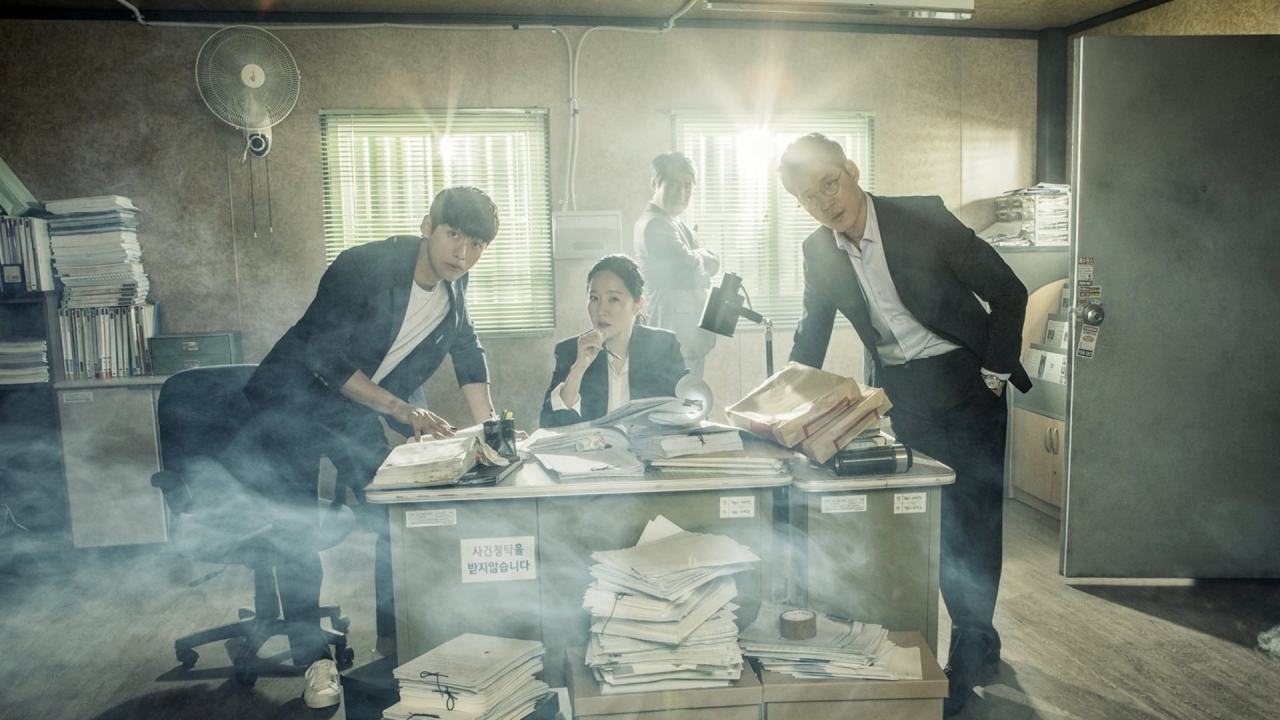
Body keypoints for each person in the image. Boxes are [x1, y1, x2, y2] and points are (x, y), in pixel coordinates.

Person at [778, 133, 1030, 718]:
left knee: (975, 516)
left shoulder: (922, 217)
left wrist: (993, 373)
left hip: (968, 380)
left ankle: (969, 642)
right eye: (809, 197)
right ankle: (977, 630)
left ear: (851, 170)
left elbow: (1008, 291)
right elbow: (811, 336)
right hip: (906, 393)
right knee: (934, 521)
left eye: (829, 183)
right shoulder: (818, 251)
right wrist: (778, 409)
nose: (824, 201)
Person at [240, 186, 501, 708]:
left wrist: (493, 430)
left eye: (476, 245)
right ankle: (314, 660)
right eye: (454, 235)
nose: (462, 253)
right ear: (427, 227)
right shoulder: (363, 266)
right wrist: (403, 411)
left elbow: (467, 350)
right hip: (290, 404)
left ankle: (394, 641)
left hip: (352, 411)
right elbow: (324, 356)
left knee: (394, 518)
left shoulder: (456, 285)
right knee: (297, 529)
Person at [541, 254, 688, 428]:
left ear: (638, 305)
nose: (601, 310)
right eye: (594, 298)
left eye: (613, 299)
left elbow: (689, 409)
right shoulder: (571, 351)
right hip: (592, 446)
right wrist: (578, 369)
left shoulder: (663, 346)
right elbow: (550, 424)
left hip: (647, 444)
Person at [634, 151, 720, 383]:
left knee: (690, 396)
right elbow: (689, 268)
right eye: (672, 184)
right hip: (672, 333)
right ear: (655, 185)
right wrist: (703, 258)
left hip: (686, 334)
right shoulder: (655, 225)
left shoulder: (673, 221)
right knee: (677, 397)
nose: (681, 194)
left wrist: (697, 258)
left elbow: (700, 264)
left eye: (687, 186)